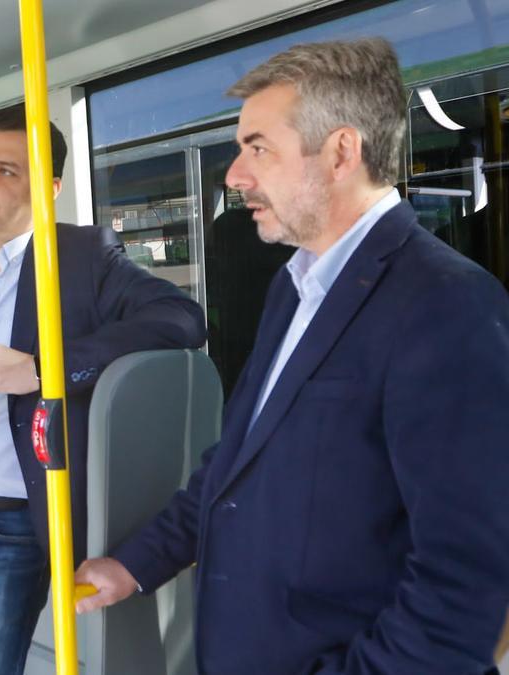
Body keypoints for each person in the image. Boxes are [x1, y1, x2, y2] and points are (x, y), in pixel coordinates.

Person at [74, 38, 509, 674]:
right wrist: (138, 563)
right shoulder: (294, 286)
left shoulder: (447, 304)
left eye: (258, 148)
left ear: (340, 153)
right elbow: (236, 463)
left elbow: (469, 581)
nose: (234, 175)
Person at [0, 105, 207, 674]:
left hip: (3, 530)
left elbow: (181, 319)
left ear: (48, 187)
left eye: (6, 170)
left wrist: (42, 371)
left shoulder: (82, 258)